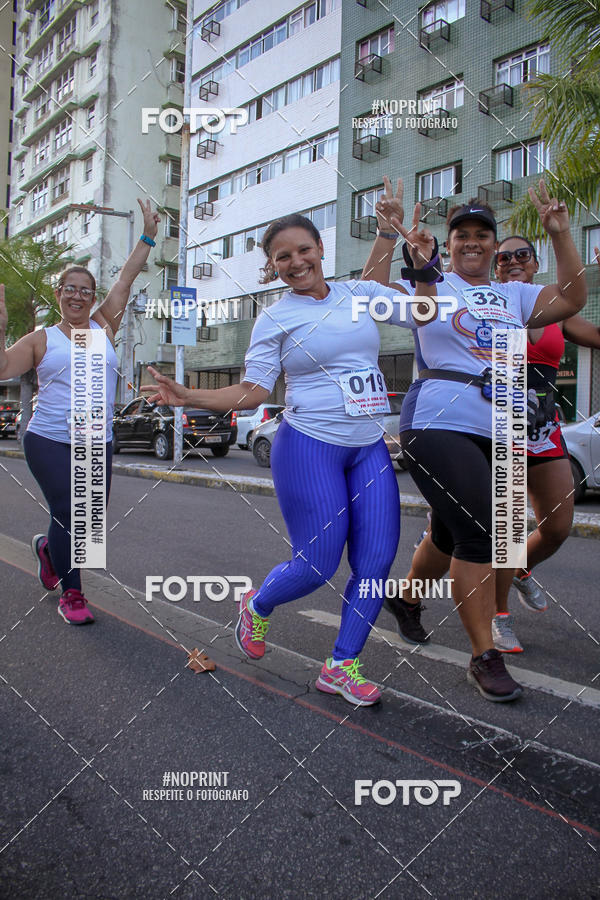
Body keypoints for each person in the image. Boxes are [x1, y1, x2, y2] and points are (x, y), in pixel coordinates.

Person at [143, 209, 438, 706]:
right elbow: (254, 391)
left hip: (367, 447)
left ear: (321, 249)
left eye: (304, 250)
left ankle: (342, 666)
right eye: (283, 257)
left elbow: (423, 312)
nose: (296, 262)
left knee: (375, 563)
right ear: (273, 266)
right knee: (317, 565)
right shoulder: (276, 317)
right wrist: (190, 396)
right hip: (308, 445)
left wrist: (423, 264)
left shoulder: (358, 294)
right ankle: (257, 605)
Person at [363, 179, 587, 701]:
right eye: (461, 234)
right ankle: (484, 656)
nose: (472, 242)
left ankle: (406, 599)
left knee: (452, 534)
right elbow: (368, 298)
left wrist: (560, 232)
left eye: (482, 235)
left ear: (493, 244)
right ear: (448, 243)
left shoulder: (515, 295)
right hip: (438, 418)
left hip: (503, 427)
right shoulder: (431, 283)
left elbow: (574, 296)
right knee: (484, 533)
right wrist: (387, 234)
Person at [390, 236, 600, 655]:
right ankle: (494, 619)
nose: (512, 261)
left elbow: (590, 325)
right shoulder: (487, 303)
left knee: (554, 525)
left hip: (539, 423)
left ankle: (507, 572)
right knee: (493, 529)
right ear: (494, 265)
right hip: (490, 418)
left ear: (536, 263)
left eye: (523, 254)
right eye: (504, 257)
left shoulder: (547, 308)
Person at [0, 199, 160, 624]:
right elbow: (3, 367)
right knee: (70, 513)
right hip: (49, 438)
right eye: (69, 288)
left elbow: (126, 278)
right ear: (58, 295)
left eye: (85, 290)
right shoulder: (43, 339)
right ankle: (72, 594)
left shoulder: (103, 327)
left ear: (92, 297)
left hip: (95, 439)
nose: (77, 295)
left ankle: (47, 551)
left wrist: (147, 236)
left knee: (87, 522)